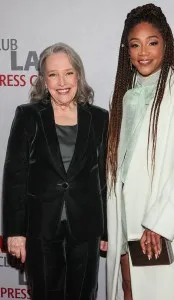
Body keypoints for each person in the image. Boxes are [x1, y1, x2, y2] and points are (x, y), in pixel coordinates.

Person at [105, 4, 174, 300]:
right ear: (127, 50)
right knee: (129, 289)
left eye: (152, 42)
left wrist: (159, 223)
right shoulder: (125, 95)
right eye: (135, 45)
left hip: (165, 223)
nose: (143, 52)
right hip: (126, 218)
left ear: (166, 44)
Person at [3, 42, 108, 300]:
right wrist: (15, 231)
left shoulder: (99, 118)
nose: (62, 81)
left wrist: (107, 230)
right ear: (43, 80)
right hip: (41, 227)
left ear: (79, 75)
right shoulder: (28, 116)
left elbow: (104, 178)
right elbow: (15, 175)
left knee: (84, 294)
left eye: (68, 72)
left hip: (86, 227)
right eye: (53, 74)